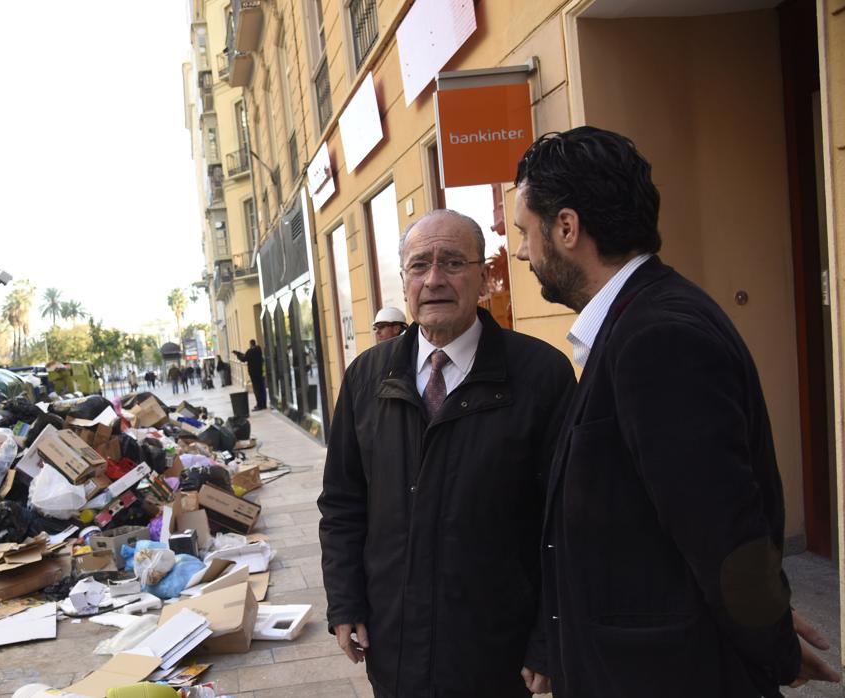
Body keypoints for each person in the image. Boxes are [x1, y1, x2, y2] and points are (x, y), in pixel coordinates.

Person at [512, 126, 841, 696]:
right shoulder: (636, 321)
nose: (520, 251)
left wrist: (774, 649)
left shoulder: (656, 336)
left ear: (566, 227)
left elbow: (724, 530)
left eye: (523, 231)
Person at [318, 210, 576, 697]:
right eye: (420, 265)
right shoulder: (365, 379)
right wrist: (345, 603)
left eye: (453, 262)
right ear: (404, 280)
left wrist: (548, 636)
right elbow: (343, 505)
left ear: (483, 276)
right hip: (394, 646)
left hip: (495, 652)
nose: (434, 279)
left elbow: (565, 523)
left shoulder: (542, 376)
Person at [232, 339, 267, 410]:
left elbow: (244, 358)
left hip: (254, 373)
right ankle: (263, 404)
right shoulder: (258, 350)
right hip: (260, 372)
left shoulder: (250, 351)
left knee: (256, 389)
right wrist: (239, 353)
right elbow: (247, 356)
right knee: (262, 389)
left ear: (250, 344)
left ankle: (259, 405)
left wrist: (237, 354)